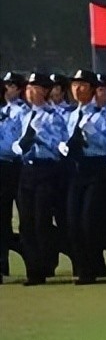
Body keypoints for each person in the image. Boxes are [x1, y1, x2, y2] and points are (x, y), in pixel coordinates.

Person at [58, 70, 106, 284]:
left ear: (92, 89)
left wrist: (91, 132)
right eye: (75, 85)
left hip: (97, 168)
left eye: (83, 85)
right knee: (73, 220)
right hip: (76, 168)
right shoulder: (70, 115)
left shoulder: (104, 115)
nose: (77, 89)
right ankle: (84, 266)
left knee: (89, 220)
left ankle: (93, 267)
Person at [11, 73, 67, 285]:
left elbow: (60, 146)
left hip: (47, 170)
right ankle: (33, 269)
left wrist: (39, 137)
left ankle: (45, 266)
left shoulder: (54, 116)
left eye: (35, 88)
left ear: (45, 91)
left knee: (41, 219)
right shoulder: (25, 115)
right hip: (27, 170)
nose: (30, 92)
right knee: (27, 222)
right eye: (28, 88)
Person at [0, 72, 28, 284]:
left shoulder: (19, 112)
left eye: (11, 85)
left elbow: (14, 144)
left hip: (13, 167)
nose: (8, 89)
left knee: (24, 218)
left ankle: (33, 258)